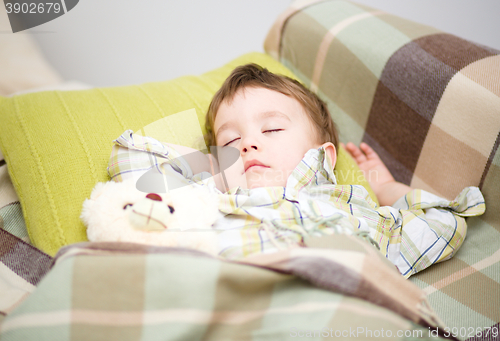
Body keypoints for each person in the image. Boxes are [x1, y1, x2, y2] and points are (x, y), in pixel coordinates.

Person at [108, 64, 485, 278]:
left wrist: (386, 189)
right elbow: (130, 160)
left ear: (325, 156)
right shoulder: (208, 203)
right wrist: (212, 166)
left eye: (271, 129)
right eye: (229, 142)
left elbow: (446, 224)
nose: (247, 144)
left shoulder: (359, 211)